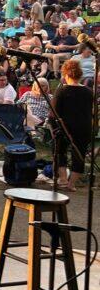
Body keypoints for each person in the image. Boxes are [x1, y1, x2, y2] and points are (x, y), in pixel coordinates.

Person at [51, 60, 94, 191]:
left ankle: (63, 179)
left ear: (66, 74)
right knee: (79, 154)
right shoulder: (89, 91)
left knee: (59, 151)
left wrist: (53, 128)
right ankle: (72, 184)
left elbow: (54, 113)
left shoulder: (62, 91)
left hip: (65, 127)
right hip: (83, 127)